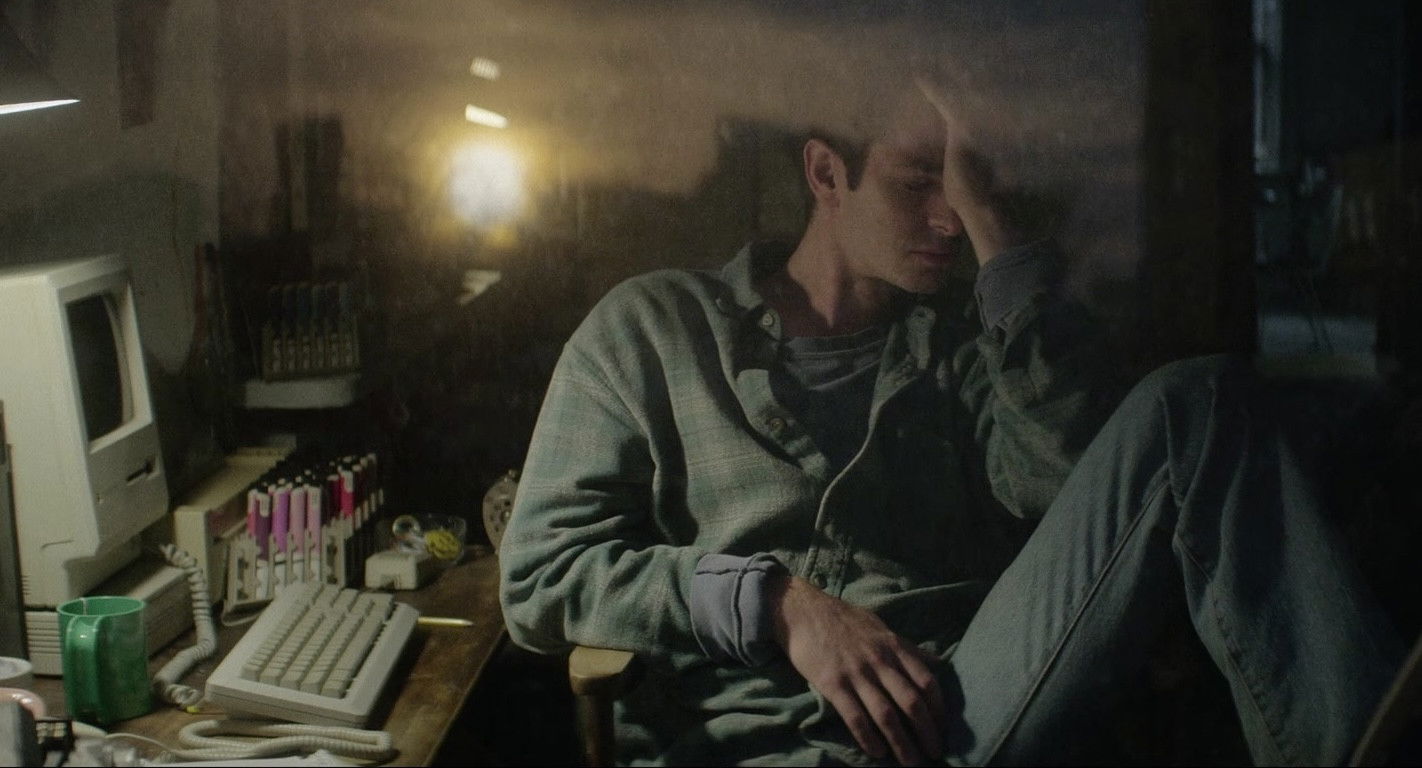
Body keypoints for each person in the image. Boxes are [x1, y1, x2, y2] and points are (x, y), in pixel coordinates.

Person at [498, 68, 1406, 765]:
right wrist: (776, 604)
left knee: (1196, 401)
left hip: (960, 712)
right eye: (917, 182)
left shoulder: (966, 348)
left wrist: (996, 229)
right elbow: (542, 576)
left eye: (964, 187)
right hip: (750, 738)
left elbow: (1069, 492)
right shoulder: (652, 328)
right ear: (827, 173)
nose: (947, 219)